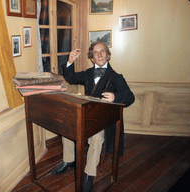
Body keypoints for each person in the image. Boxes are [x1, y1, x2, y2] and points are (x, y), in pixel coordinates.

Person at [51, 42, 135, 192]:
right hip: (87, 116)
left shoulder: (116, 77)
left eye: (102, 51)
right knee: (68, 127)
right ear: (92, 58)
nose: (99, 54)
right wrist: (70, 60)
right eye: (96, 53)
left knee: (96, 137)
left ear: (108, 55)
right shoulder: (89, 73)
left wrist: (115, 97)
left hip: (105, 121)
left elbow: (130, 97)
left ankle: (89, 174)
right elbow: (70, 77)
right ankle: (68, 160)